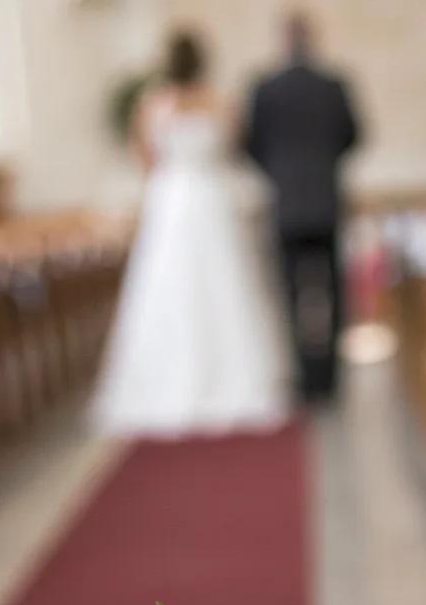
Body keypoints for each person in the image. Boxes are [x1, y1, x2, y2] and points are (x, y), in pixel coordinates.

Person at [91, 30, 289, 439]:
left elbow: (146, 160)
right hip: (210, 199)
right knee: (223, 288)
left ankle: (164, 385)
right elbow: (232, 151)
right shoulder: (220, 103)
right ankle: (233, 381)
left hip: (172, 202)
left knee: (168, 290)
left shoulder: (151, 106)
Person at [245, 12, 360, 401]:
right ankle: (330, 374)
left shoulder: (266, 88)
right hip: (325, 199)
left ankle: (303, 373)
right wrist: (323, 165)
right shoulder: (333, 85)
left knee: (293, 290)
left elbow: (252, 144)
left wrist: (280, 172)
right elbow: (352, 135)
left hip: (288, 202)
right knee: (332, 289)